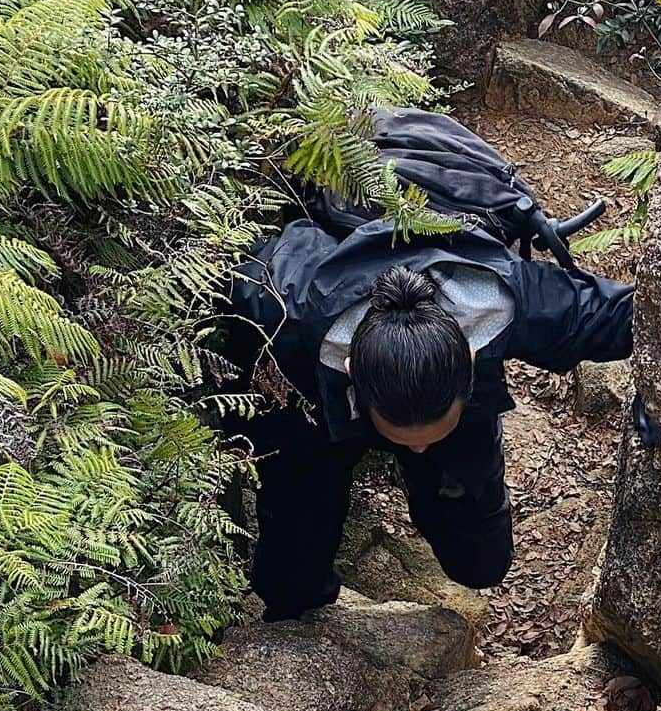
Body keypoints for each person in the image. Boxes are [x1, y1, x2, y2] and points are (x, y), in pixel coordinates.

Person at [230, 112, 634, 624]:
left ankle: (439, 503)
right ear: (352, 370)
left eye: (425, 437)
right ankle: (300, 589)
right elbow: (238, 294)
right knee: (290, 578)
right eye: (407, 438)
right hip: (320, 395)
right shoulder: (287, 310)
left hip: (407, 376)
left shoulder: (513, 300)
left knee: (481, 563)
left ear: (470, 359)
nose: (417, 445)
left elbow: (637, 318)